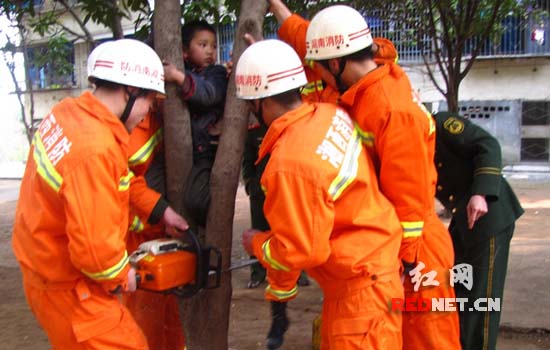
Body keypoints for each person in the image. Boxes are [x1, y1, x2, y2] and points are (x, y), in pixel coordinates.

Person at [304, 5, 461, 350]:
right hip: (392, 242)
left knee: (429, 340)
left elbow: (410, 200)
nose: (320, 80)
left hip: (418, 250)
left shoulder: (391, 108)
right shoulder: (370, 81)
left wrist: (404, 261)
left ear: (336, 64)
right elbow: (310, 36)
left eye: (321, 70)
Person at [237, 39, 404, 350]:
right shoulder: (329, 114)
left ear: (256, 103)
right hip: (370, 277)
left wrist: (257, 243)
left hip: (359, 297)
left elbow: (299, 251)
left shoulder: (288, 165)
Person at [11, 39, 175, 350]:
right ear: (130, 91)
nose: (147, 113)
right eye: (149, 101)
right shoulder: (96, 148)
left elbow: (109, 184)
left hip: (45, 273)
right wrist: (122, 275)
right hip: (72, 289)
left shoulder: (69, 114)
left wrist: (159, 209)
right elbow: (96, 252)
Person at [433, 111, 524, 350]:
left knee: (482, 297)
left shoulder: (441, 124)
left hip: (490, 213)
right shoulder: (410, 140)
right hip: (463, 220)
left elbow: (488, 145)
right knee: (460, 289)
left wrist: (480, 193)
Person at [123, 104, 187, 350]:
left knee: (173, 317)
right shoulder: (113, 134)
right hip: (135, 240)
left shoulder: (157, 118)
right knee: (143, 319)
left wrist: (164, 214)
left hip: (161, 234)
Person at [163, 20, 229, 227]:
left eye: (214, 46)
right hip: (183, 151)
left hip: (207, 151)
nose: (210, 51)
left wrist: (177, 77)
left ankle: (203, 229)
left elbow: (208, 95)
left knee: (195, 200)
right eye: (203, 45)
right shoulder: (186, 71)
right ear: (184, 51)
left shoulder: (216, 74)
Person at [242, 116, 311, 290]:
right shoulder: (254, 132)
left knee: (290, 231)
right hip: (260, 195)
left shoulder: (289, 127)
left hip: (285, 192)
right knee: (258, 232)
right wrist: (250, 185)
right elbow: (248, 162)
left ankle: (298, 273)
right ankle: (257, 273)